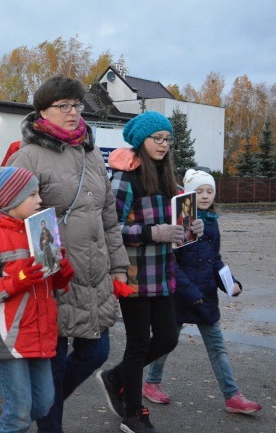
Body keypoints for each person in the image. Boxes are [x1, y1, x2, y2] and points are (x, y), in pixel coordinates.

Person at [6, 75, 130, 433]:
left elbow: (108, 217)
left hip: (93, 276)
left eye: (77, 105)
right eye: (64, 106)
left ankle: (32, 411)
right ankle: (47, 423)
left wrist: (119, 266)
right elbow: (6, 216)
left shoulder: (90, 154)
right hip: (50, 277)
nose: (73, 112)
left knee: (97, 352)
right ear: (43, 111)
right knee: (54, 365)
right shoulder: (26, 156)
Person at [98, 111, 204, 433]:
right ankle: (133, 413)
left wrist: (193, 228)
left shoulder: (167, 177)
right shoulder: (125, 176)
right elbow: (110, 228)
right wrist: (151, 233)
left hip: (162, 273)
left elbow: (177, 224)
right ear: (141, 140)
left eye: (167, 139)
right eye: (156, 138)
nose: (163, 144)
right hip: (132, 275)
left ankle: (116, 377)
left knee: (168, 337)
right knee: (139, 343)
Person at [0, 166, 75, 433]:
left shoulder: (38, 232)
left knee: (44, 402)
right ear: (12, 199)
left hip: (39, 331)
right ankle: (10, 422)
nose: (39, 200)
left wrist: (61, 274)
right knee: (19, 411)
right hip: (6, 337)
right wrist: (17, 280)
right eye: (33, 194)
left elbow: (46, 283)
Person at [143, 169, 262, 414]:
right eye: (199, 191)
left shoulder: (212, 222)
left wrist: (230, 282)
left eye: (209, 191)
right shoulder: (183, 219)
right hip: (181, 296)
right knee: (166, 342)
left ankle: (232, 396)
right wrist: (191, 292)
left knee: (217, 346)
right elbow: (172, 262)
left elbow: (214, 259)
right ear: (189, 194)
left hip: (206, 297)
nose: (205, 196)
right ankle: (147, 382)